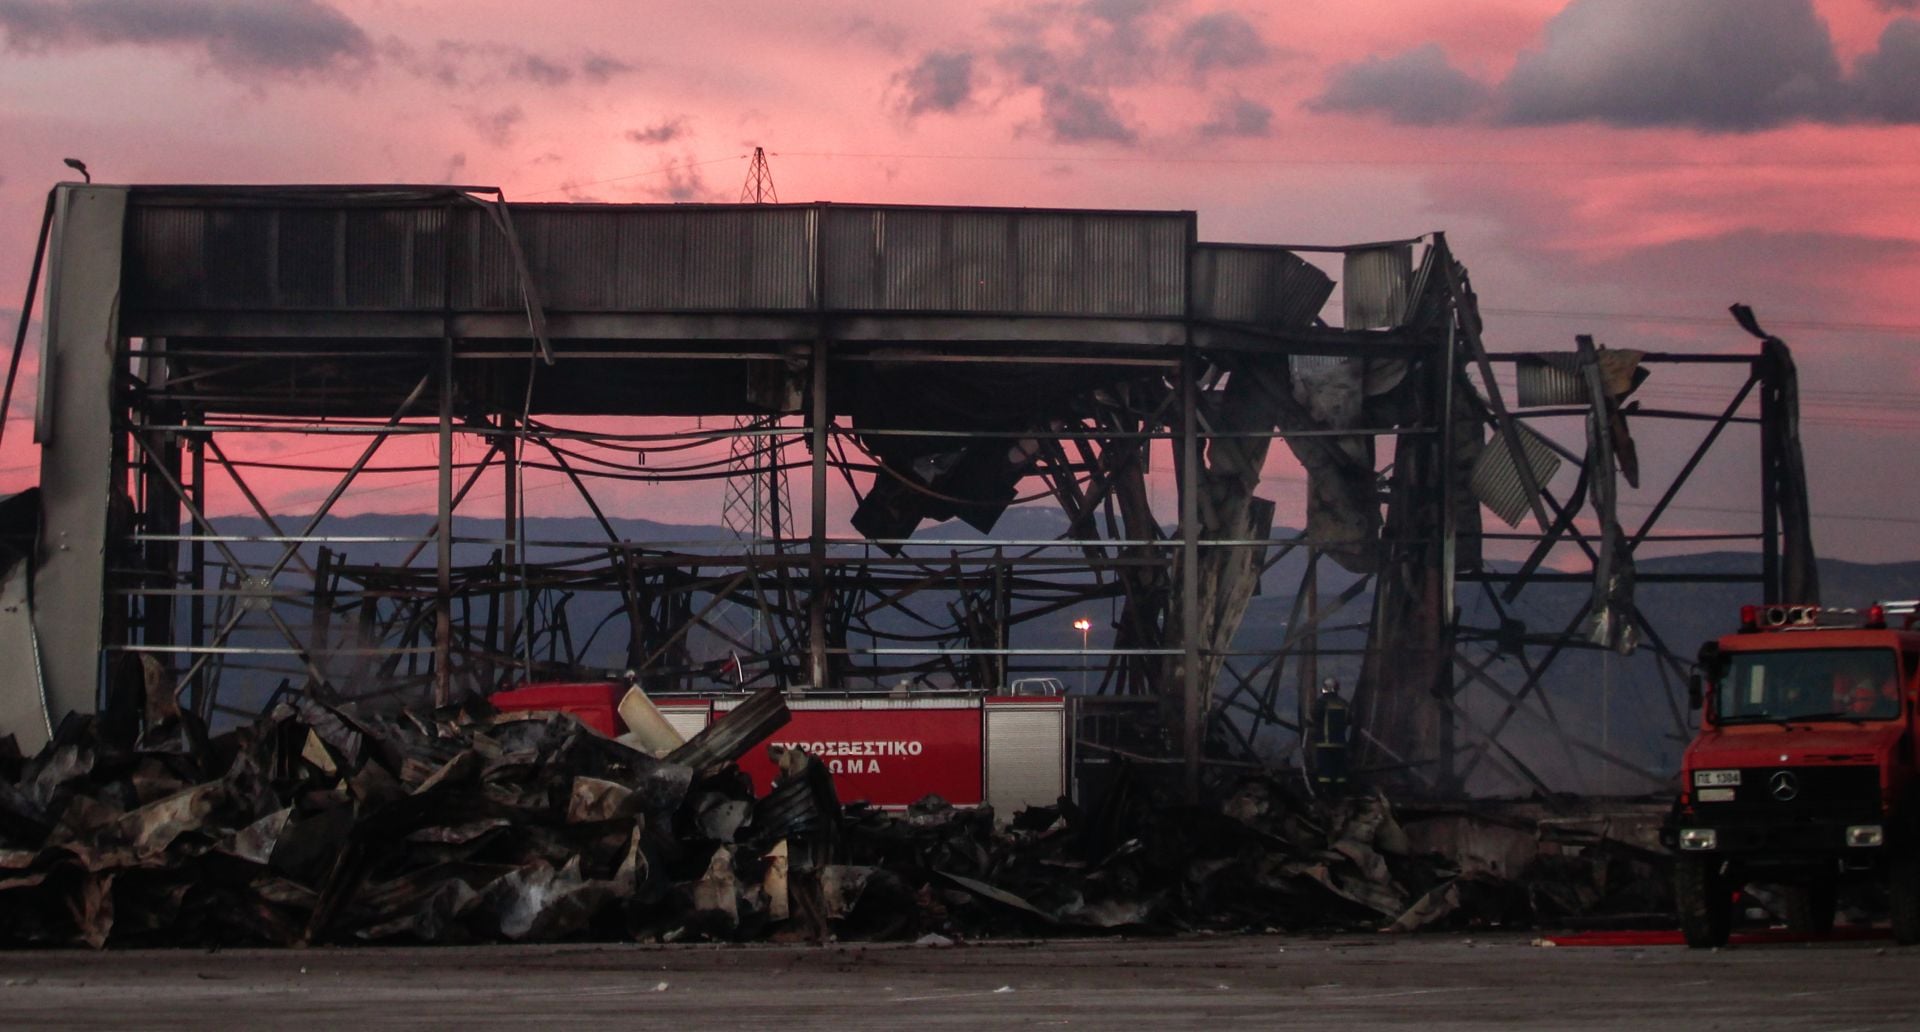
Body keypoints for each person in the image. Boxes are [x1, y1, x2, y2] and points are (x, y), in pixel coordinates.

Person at [1310, 677, 1351, 794]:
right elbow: (1350, 720)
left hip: (1324, 742)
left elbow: (1312, 717)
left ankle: (1325, 792)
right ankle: (1341, 792)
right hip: (1340, 743)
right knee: (1340, 770)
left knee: (1324, 769)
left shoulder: (1320, 703)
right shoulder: (1343, 703)